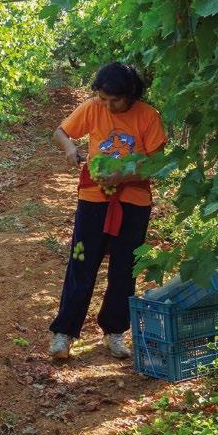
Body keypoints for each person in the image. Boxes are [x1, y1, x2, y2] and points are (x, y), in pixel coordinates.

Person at [49, 62, 167, 361]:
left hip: (133, 202)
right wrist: (69, 149)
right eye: (103, 99)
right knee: (81, 262)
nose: (108, 106)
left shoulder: (148, 116)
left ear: (131, 95)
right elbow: (61, 132)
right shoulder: (92, 108)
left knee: (124, 269)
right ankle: (65, 332)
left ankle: (114, 332)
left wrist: (124, 176)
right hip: (93, 199)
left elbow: (157, 161)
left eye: (115, 101)